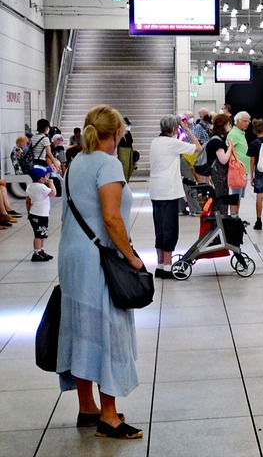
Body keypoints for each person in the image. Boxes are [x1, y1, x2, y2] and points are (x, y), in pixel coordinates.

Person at [56, 104, 145, 440]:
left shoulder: (75, 161)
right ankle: (108, 416)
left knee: (82, 326)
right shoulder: (108, 165)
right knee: (106, 328)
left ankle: (87, 406)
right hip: (98, 258)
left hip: (72, 255)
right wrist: (132, 258)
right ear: (118, 133)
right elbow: (111, 219)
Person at [149, 115, 200, 278]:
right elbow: (198, 147)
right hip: (168, 191)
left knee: (160, 229)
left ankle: (159, 266)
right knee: (170, 229)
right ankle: (168, 268)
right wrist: (186, 129)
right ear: (173, 129)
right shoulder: (172, 143)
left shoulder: (155, 142)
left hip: (155, 190)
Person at [205, 113, 239, 214]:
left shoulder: (215, 139)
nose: (230, 126)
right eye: (228, 124)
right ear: (223, 125)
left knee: (221, 195)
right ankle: (221, 219)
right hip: (219, 174)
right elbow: (223, 159)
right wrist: (230, 148)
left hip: (217, 173)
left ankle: (221, 217)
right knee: (221, 196)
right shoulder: (217, 142)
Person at [26, 163, 56, 262]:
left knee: (41, 233)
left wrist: (28, 213)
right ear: (41, 178)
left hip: (34, 213)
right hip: (41, 215)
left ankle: (41, 251)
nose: (47, 177)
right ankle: (36, 253)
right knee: (39, 235)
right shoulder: (42, 187)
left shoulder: (30, 186)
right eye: (45, 176)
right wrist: (51, 183)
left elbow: (28, 201)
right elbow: (53, 193)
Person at [227, 112, 251, 205]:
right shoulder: (233, 134)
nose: (247, 123)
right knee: (236, 195)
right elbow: (229, 149)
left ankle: (236, 216)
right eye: (245, 121)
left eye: (248, 121)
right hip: (237, 170)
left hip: (243, 170)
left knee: (239, 196)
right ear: (237, 121)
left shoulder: (241, 133)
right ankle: (234, 216)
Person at [117, 118, 137, 182]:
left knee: (127, 170)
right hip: (123, 153)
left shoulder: (128, 134)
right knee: (124, 170)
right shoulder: (119, 134)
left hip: (128, 154)